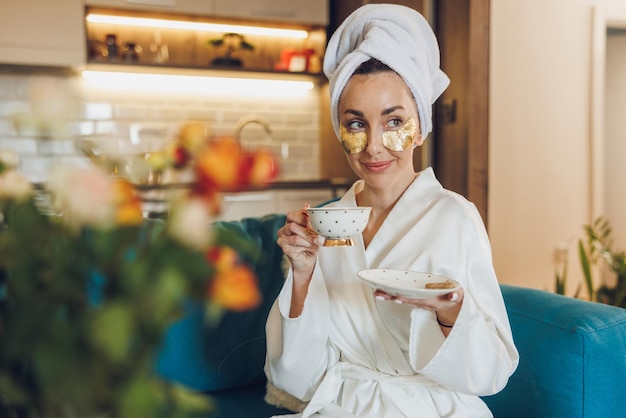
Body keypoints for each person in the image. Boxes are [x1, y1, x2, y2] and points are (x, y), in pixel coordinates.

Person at [264, 4, 519, 417]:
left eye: (394, 121)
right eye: (357, 124)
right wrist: (303, 275)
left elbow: (490, 374)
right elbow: (295, 379)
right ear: (339, 130)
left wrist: (451, 312)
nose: (374, 146)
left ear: (420, 126)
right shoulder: (329, 225)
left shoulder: (455, 218)